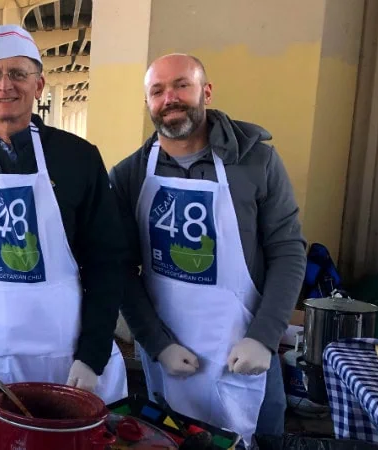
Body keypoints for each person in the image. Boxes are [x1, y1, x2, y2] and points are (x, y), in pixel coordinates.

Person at [0, 24, 129, 408]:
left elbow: (108, 262)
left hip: (61, 360)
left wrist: (92, 354)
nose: (5, 86)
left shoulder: (77, 158)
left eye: (18, 74)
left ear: (40, 85)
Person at [109, 54, 306, 443]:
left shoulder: (257, 163)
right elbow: (119, 269)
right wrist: (155, 343)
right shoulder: (129, 174)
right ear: (148, 102)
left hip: (247, 355)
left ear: (206, 92)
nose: (170, 98)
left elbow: (288, 251)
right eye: (157, 90)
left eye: (182, 84)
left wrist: (264, 337)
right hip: (168, 357)